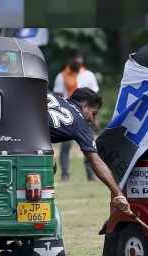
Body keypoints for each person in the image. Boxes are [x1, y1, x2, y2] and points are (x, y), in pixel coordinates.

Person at [46, 87, 132, 217]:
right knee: (47, 168)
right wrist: (118, 194)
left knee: (49, 164)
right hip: (21, 138)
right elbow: (96, 161)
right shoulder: (80, 123)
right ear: (85, 106)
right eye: (94, 113)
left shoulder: (55, 98)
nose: (92, 120)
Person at [53, 54, 100, 182]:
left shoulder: (89, 75)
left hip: (85, 116)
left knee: (89, 145)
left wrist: (95, 119)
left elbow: (94, 100)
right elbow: (56, 99)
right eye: (75, 60)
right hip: (66, 117)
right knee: (65, 147)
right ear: (71, 60)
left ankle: (91, 174)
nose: (78, 62)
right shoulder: (61, 76)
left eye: (80, 60)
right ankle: (65, 174)